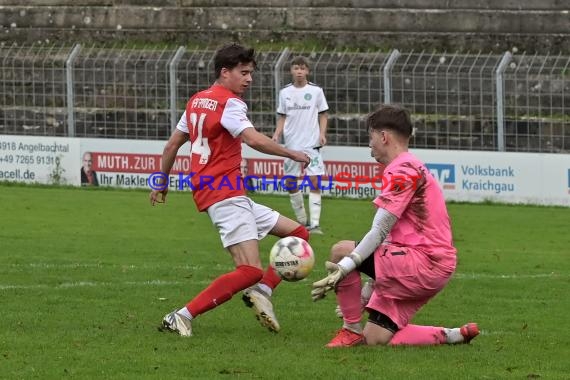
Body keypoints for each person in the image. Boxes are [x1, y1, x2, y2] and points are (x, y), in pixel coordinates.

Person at [149, 43, 311, 337]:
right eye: (243, 72)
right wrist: (292, 153)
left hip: (221, 191)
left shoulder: (197, 100)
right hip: (224, 193)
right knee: (249, 270)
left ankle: (262, 292)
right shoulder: (230, 103)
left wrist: (161, 181)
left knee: (299, 234)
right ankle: (181, 315)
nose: (249, 79)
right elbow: (253, 139)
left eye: (251, 73)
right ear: (225, 72)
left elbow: (172, 144)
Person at [311, 104, 479, 347]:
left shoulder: (403, 171)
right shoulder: (410, 166)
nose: (369, 144)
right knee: (375, 338)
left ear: (383, 136)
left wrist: (345, 267)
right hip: (431, 264)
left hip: (424, 263)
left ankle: (349, 330)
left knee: (341, 251)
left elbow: (379, 232)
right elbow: (394, 237)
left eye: (370, 137)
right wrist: (365, 293)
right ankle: (454, 335)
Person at [272, 56, 329, 234]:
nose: (299, 71)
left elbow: (323, 114)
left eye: (302, 68)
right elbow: (282, 116)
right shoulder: (285, 93)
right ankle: (302, 220)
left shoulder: (316, 91)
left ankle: (315, 223)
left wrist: (322, 133)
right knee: (290, 182)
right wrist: (277, 133)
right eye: (296, 68)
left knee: (314, 180)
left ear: (307, 71)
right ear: (291, 71)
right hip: (291, 144)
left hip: (311, 144)